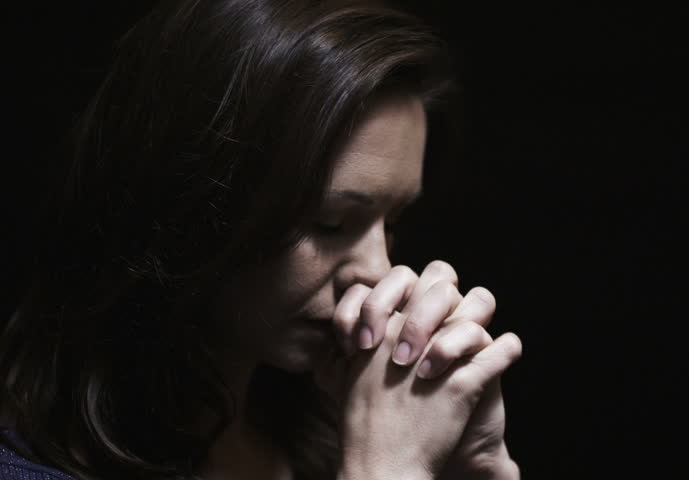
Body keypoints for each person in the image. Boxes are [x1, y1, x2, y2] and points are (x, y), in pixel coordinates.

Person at [0, 0, 523, 479]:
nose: (381, 271)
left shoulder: (332, 427)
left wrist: (467, 469)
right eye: (330, 223)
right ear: (191, 204)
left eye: (390, 223)